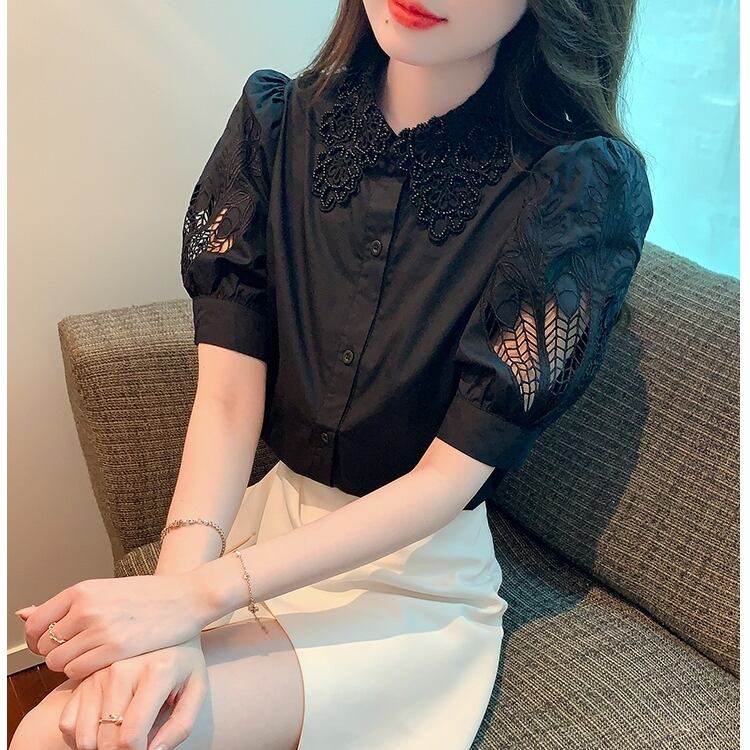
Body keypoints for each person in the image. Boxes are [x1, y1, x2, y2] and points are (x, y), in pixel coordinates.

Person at [11, 0, 654, 748]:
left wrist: (193, 599)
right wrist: (172, 606)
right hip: (266, 525)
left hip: (408, 580)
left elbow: (445, 482)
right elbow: (226, 403)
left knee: (82, 736)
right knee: (61, 729)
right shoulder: (276, 123)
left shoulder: (576, 188)